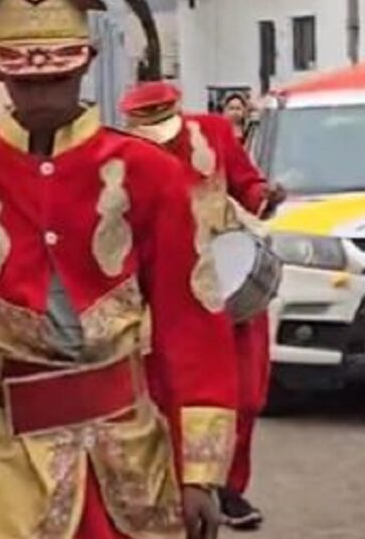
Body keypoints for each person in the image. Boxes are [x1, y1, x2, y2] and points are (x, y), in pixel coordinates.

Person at [0, 0, 240, 538]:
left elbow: (194, 322)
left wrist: (200, 473)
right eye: (24, 80)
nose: (40, 95)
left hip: (129, 460)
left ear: (84, 64)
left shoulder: (150, 173)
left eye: (57, 77)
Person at [119, 81, 287, 531]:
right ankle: (180, 484)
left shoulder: (213, 132)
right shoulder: (121, 156)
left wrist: (265, 198)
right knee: (165, 394)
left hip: (225, 284)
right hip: (162, 292)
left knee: (246, 396)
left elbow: (247, 185)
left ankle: (229, 483)